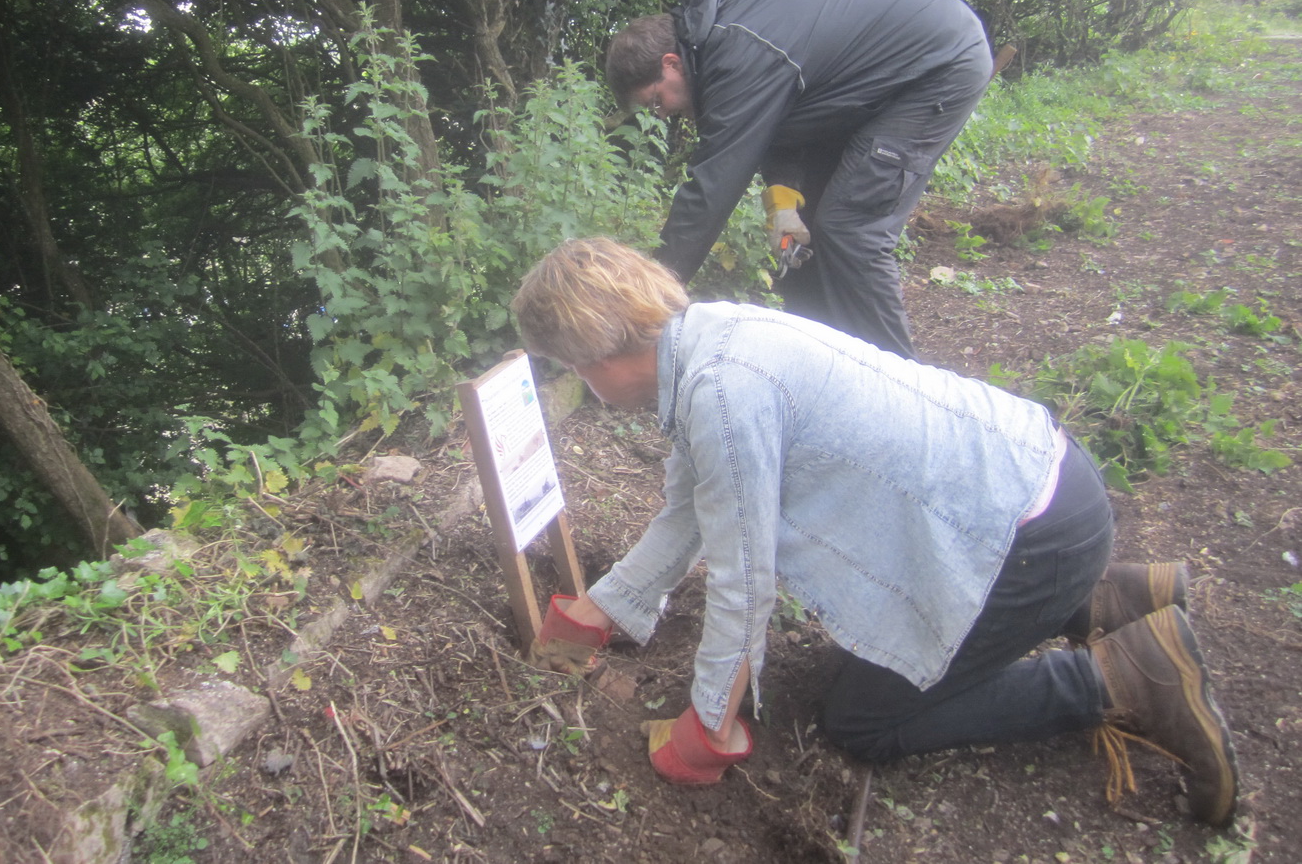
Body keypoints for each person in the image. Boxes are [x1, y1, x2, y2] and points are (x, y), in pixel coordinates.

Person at [511, 237, 1239, 825]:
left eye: (574, 369)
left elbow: (744, 577)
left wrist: (708, 725)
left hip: (1028, 537)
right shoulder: (711, 338)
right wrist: (601, 611)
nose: (585, 386)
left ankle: (1119, 674)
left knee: (863, 720)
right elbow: (689, 509)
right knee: (884, 665)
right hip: (1044, 486)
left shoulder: (723, 394)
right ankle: (1102, 597)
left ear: (601, 353)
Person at [607, 0, 996, 360]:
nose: (662, 114)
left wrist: (650, 295)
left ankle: (903, 381)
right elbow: (786, 126)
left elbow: (711, 188)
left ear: (671, 64)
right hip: (885, 81)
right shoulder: (725, 45)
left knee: (851, 227)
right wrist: (784, 201)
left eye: (656, 101)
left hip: (939, 66)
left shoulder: (737, 51)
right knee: (807, 232)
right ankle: (822, 363)